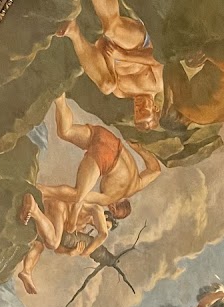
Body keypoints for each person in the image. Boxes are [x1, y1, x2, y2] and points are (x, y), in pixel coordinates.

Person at [36, 95, 160, 233]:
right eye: (112, 210)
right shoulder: (109, 198)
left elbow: (155, 170)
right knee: (76, 194)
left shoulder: (137, 184)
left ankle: (59, 98)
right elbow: (80, 199)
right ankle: (40, 189)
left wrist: (139, 149)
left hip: (110, 139)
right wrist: (71, 223)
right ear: (114, 207)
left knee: (65, 131)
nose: (109, 209)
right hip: (105, 156)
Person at [56, 0, 163, 130]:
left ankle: (74, 33)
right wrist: (123, 55)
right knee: (111, 30)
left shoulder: (122, 93)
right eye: (144, 112)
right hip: (138, 45)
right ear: (155, 107)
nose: (138, 108)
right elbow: (158, 59)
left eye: (136, 113)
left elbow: (107, 63)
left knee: (107, 87)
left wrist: (111, 56)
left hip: (112, 53)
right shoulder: (157, 85)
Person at [17, 194, 128, 295]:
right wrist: (86, 252)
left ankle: (26, 271)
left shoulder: (82, 228)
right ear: (104, 217)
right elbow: (103, 234)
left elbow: (58, 249)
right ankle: (35, 210)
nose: (102, 227)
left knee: (39, 245)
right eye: (106, 225)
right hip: (57, 208)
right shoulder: (93, 210)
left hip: (50, 222)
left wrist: (69, 252)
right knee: (53, 243)